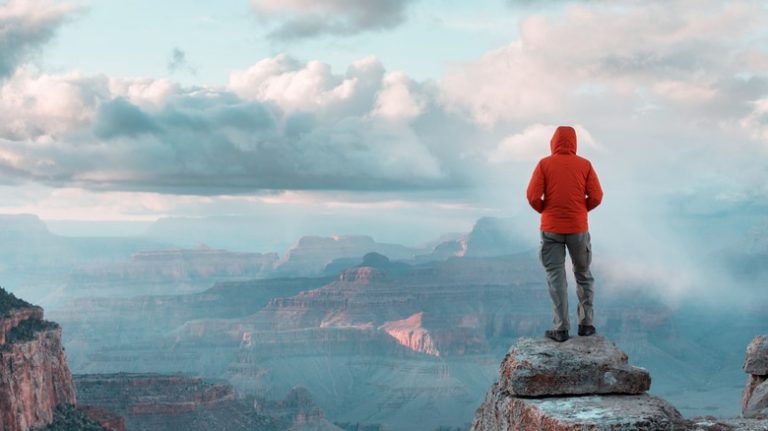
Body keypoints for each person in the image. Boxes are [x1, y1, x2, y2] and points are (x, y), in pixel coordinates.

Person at [526, 126, 603, 342]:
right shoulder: (585, 165)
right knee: (583, 275)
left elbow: (532, 196)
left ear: (553, 142)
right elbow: (596, 196)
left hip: (551, 230)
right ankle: (586, 325)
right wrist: (579, 211)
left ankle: (561, 329)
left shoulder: (544, 164)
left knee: (556, 277)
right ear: (574, 142)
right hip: (578, 229)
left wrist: (547, 211)